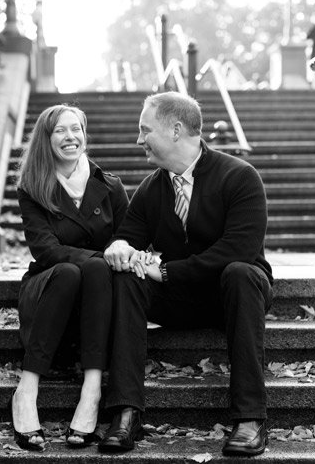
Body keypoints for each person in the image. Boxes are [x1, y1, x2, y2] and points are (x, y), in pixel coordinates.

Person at [98, 92, 274, 456]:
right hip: (178, 301)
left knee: (241, 272)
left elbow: (237, 250)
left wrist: (165, 270)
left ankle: (250, 419)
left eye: (145, 130)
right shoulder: (152, 188)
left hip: (232, 298)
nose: (138, 139)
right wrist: (119, 247)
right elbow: (130, 236)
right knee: (126, 276)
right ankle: (125, 413)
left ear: (175, 130)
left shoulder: (240, 176)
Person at [11, 104, 129, 451]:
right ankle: (26, 389)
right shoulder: (32, 188)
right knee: (70, 269)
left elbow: (126, 241)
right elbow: (45, 250)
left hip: (97, 299)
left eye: (76, 129)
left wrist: (113, 255)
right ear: (46, 139)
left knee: (94, 268)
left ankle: (91, 392)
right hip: (50, 289)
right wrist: (102, 256)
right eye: (60, 130)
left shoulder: (110, 187)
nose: (70, 137)